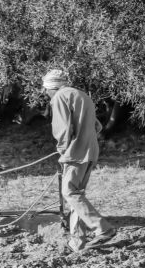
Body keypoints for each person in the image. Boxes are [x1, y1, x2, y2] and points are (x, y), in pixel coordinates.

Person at [42, 69, 116, 252]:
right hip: (91, 151)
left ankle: (103, 229)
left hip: (75, 153)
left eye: (46, 89)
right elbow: (97, 126)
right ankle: (77, 242)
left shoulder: (59, 97)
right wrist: (86, 138)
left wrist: (62, 150)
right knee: (76, 194)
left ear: (53, 87)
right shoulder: (81, 95)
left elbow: (63, 130)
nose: (45, 93)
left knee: (69, 193)